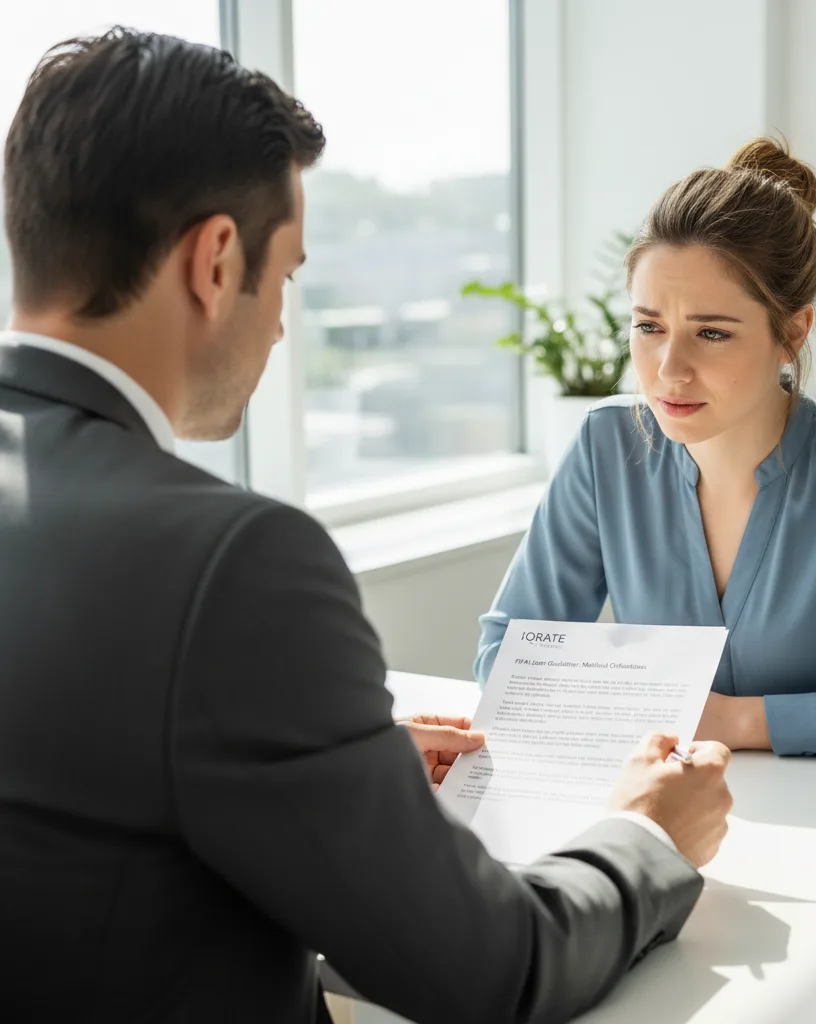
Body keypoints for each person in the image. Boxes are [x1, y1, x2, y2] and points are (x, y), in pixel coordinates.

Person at [0, 28, 735, 1024]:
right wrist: (645, 831)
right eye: (286, 278)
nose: (280, 325)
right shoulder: (233, 564)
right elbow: (492, 969)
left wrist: (329, 758)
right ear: (215, 261)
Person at [476, 138, 816, 763]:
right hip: (655, 803)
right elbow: (506, 662)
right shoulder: (605, 445)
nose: (669, 370)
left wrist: (738, 720)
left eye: (711, 333)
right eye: (649, 326)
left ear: (792, 332)